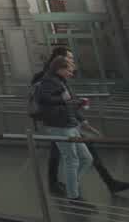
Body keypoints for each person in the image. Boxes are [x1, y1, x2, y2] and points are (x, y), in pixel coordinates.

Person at [31, 47, 129, 196]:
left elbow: (69, 101)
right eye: (70, 59)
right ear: (60, 60)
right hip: (59, 123)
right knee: (70, 156)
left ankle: (67, 186)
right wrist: (68, 106)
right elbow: (49, 100)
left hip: (67, 122)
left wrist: (81, 118)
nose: (72, 62)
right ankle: (67, 188)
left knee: (81, 156)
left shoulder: (61, 77)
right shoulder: (47, 77)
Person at [34, 57, 96, 201]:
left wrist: (82, 118)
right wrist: (68, 101)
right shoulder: (49, 81)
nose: (71, 72)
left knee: (86, 159)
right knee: (72, 160)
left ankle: (71, 185)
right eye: (68, 69)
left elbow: (69, 103)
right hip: (59, 126)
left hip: (70, 124)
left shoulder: (62, 82)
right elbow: (44, 99)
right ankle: (73, 196)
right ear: (59, 69)